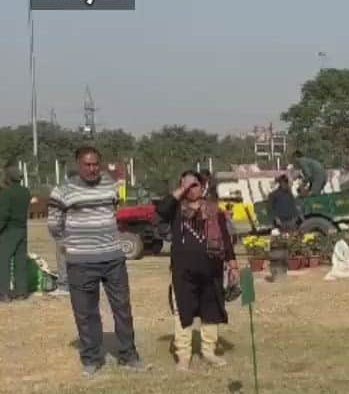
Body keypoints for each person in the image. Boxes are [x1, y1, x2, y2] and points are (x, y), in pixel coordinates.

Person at [48, 146, 145, 375]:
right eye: (87, 165)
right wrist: (71, 244)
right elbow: (54, 225)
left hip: (113, 258)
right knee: (85, 312)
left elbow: (113, 212)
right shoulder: (62, 191)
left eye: (95, 164)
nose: (92, 169)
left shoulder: (110, 185)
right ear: (78, 165)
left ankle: (129, 355)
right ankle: (92, 359)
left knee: (122, 309)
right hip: (81, 262)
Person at [157, 171, 235, 371]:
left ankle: (209, 351)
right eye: (187, 186)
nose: (191, 189)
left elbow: (225, 239)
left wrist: (232, 264)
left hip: (212, 271)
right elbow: (161, 209)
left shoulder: (213, 210)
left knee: (211, 311)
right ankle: (184, 355)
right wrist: (182, 189)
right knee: (182, 311)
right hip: (183, 272)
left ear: (203, 187)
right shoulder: (175, 209)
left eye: (195, 185)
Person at [0, 164, 31, 303]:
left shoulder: (7, 193)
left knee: (3, 260)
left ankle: (4, 293)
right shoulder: (26, 191)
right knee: (20, 260)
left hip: (9, 230)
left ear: (8, 178)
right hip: (23, 229)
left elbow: (3, 215)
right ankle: (21, 292)